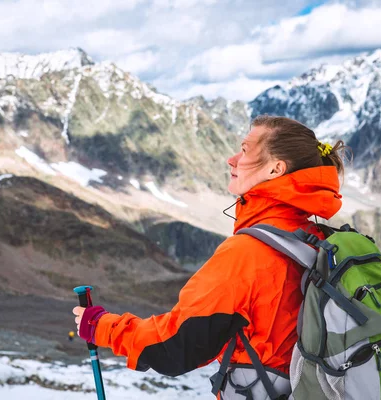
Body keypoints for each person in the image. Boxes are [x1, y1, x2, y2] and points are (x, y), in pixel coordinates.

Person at [72, 115, 346, 399]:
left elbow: (175, 348)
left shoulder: (247, 254)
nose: (232, 159)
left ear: (276, 169)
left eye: (244, 150)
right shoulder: (322, 240)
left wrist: (102, 327)